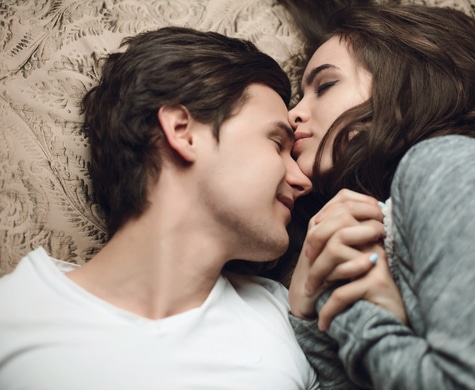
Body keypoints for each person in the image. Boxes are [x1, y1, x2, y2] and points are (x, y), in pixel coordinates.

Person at [278, 1, 475, 389]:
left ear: (403, 85)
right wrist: (312, 317)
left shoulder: (449, 165)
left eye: (324, 85)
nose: (293, 116)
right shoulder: (382, 220)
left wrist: (364, 318)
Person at [0, 27, 319, 389]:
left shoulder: (286, 320)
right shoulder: (13, 319)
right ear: (182, 131)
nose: (302, 179)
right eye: (277, 143)